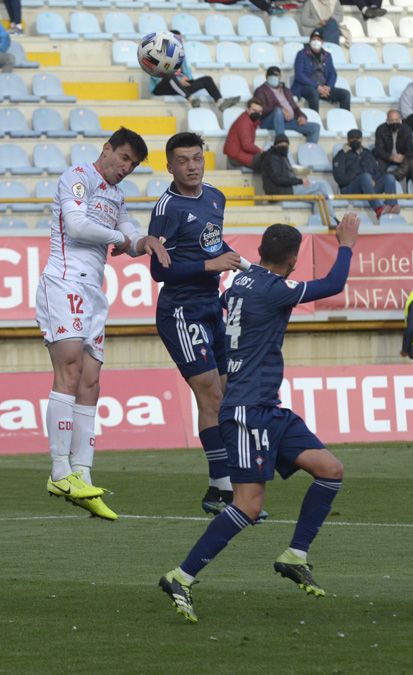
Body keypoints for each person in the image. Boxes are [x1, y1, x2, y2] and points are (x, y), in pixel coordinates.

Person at [158, 213, 361, 623]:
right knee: (248, 506)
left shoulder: (239, 284)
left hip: (266, 406)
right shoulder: (272, 289)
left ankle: (295, 554)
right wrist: (346, 244)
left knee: (330, 469)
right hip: (248, 411)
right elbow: (334, 286)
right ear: (292, 260)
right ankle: (181, 575)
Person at [35, 128, 171, 521]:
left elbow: (129, 232)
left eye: (133, 164)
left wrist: (143, 242)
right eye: (124, 158)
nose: (126, 168)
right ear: (107, 149)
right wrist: (121, 238)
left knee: (92, 380)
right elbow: (77, 227)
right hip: (63, 282)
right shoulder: (77, 177)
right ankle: (59, 471)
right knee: (71, 367)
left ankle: (83, 475)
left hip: (93, 290)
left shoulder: (116, 195)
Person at [149, 133, 253, 516]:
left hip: (212, 305)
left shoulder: (215, 197)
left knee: (224, 395)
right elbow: (158, 270)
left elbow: (212, 245)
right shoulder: (167, 208)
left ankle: (216, 487)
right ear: (170, 166)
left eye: (197, 158)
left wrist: (236, 261)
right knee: (210, 394)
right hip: (180, 310)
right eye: (183, 160)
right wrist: (210, 265)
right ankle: (227, 491)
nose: (192, 166)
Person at [150, 31, 240, 112]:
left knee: (207, 79)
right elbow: (156, 75)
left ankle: (220, 102)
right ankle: (191, 99)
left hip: (179, 87)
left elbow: (188, 74)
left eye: (180, 40)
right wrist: (178, 80)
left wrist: (186, 79)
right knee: (169, 76)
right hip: (161, 87)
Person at [332, 129, 400, 218]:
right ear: (348, 140)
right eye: (352, 138)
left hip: (369, 187)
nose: (355, 140)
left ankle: (391, 206)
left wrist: (373, 179)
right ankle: (378, 209)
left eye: (358, 138)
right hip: (350, 189)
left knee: (389, 177)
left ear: (361, 139)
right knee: (365, 177)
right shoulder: (341, 155)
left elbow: (378, 171)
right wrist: (360, 176)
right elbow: (340, 179)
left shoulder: (367, 153)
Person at [256, 66, 320, 144]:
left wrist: (302, 116)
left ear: (280, 77)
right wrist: (280, 109)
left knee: (315, 127)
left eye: (276, 75)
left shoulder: (286, 90)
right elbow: (261, 109)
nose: (274, 77)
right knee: (278, 111)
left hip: (288, 121)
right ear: (266, 77)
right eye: (271, 75)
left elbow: (295, 108)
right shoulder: (261, 91)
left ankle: (310, 152)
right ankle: (281, 142)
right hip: (269, 121)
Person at [291, 31, 351, 111]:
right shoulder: (301, 54)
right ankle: (316, 120)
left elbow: (332, 73)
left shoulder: (327, 55)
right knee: (314, 93)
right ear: (310, 41)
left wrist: (328, 87)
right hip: (306, 87)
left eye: (318, 39)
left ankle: (345, 119)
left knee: (345, 94)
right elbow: (299, 75)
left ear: (322, 42)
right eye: (313, 39)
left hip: (324, 87)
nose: (316, 42)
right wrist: (317, 86)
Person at [224, 99, 266, 171]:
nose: (257, 113)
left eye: (259, 112)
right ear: (247, 109)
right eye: (254, 110)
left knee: (271, 160)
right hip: (236, 158)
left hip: (241, 155)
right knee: (269, 160)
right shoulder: (244, 122)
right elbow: (247, 145)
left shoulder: (251, 120)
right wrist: (261, 151)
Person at [374, 109, 413, 176]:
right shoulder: (381, 129)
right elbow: (379, 150)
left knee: (412, 165)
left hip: (402, 157)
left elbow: (410, 148)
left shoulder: (407, 129)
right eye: (392, 120)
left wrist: (403, 156)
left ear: (400, 120)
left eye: (396, 120)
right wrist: (391, 157)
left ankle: (405, 184)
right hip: (386, 157)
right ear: (387, 120)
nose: (394, 122)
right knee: (378, 167)